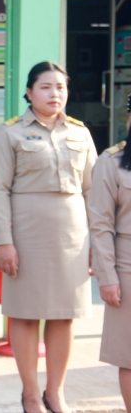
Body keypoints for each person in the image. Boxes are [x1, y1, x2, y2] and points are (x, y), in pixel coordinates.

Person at [0, 61, 97, 413]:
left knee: (64, 314)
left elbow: (93, 192)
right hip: (26, 235)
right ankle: (31, 394)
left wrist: (97, 243)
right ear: (29, 92)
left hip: (72, 236)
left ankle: (56, 392)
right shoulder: (11, 133)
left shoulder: (80, 132)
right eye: (46, 87)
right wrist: (4, 241)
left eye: (60, 87)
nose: (55, 93)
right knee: (24, 314)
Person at [87, 94, 131, 413]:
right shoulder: (112, 161)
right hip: (127, 269)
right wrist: (107, 276)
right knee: (128, 355)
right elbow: (101, 224)